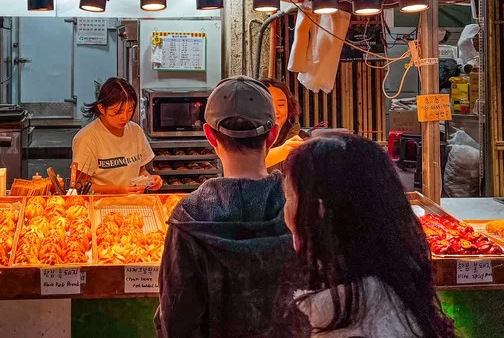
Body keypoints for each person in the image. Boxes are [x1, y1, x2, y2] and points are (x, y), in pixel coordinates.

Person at [155, 76, 306, 338]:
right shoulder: (303, 209)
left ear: (210, 135)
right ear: (272, 135)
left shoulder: (189, 217)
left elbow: (177, 324)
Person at [283, 132, 456, 338]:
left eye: (289, 197)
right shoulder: (397, 294)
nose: (285, 211)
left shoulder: (348, 324)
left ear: (318, 212)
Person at [72, 77, 162, 193]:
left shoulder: (136, 132)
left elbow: (140, 170)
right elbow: (79, 186)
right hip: (100, 206)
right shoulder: (87, 138)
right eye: (117, 112)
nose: (124, 117)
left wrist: (149, 179)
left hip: (134, 205)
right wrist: (118, 191)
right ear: (102, 108)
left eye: (129, 110)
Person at [262, 77, 306, 169]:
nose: (275, 110)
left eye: (281, 105)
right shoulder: (244, 137)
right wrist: (283, 151)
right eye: (268, 104)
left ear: (289, 107)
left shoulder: (299, 137)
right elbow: (244, 164)